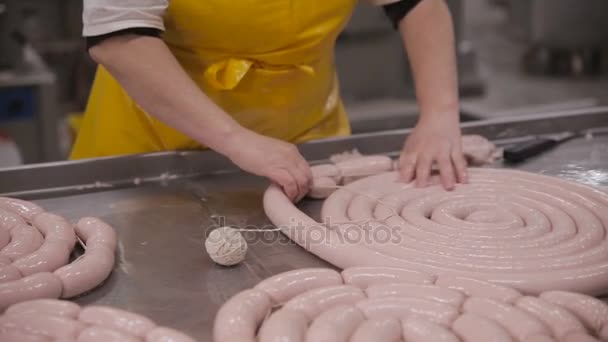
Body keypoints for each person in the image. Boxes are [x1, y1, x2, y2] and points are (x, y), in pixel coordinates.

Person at [72, 0, 467, 201]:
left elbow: (416, 4)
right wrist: (234, 139)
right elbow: (119, 39)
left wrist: (439, 114)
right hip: (156, 142)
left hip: (307, 134)